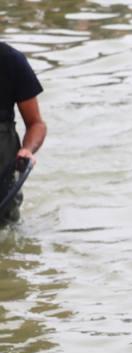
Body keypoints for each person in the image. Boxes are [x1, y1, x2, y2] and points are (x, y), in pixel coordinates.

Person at [1, 41, 46, 223]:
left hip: (3, 160)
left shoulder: (11, 60)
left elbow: (36, 124)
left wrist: (27, 149)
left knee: (6, 228)